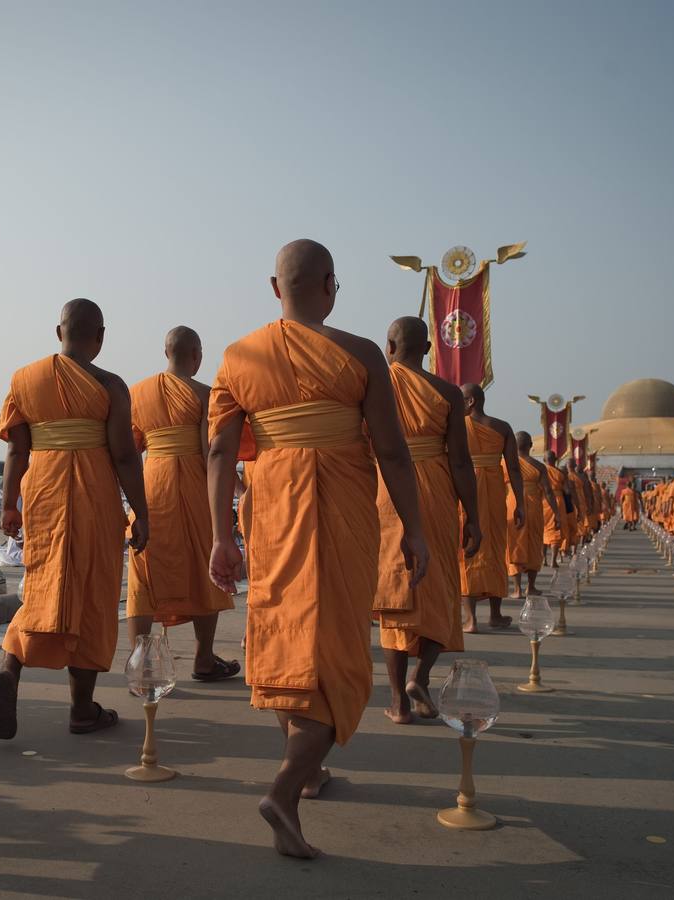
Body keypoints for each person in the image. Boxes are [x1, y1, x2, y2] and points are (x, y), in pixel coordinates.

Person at [207, 240, 430, 859]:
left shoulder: (238, 357)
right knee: (336, 651)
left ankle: (306, 771)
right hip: (344, 506)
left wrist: (221, 537)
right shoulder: (360, 353)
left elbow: (220, 451)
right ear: (331, 285)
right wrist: (414, 529)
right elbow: (392, 452)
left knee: (286, 636)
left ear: (274, 288)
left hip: (273, 506)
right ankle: (285, 787)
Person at [0, 299, 149, 739]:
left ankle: (10, 667)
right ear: (100, 337)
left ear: (59, 333)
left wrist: (9, 505)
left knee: (43, 582)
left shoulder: (24, 380)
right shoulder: (110, 385)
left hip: (43, 493)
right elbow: (124, 455)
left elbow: (16, 450)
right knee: (92, 592)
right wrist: (141, 511)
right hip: (94, 495)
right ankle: (81, 710)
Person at [374, 317, 479, 725]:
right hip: (436, 492)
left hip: (388, 491)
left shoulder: (376, 385)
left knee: (395, 594)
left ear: (389, 346)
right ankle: (420, 676)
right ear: (429, 349)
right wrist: (473, 517)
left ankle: (398, 703)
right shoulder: (448, 393)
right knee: (440, 587)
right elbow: (460, 461)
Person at [126, 326, 238, 681]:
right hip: (195, 488)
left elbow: (130, 452)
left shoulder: (137, 393)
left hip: (152, 487)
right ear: (197, 355)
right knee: (205, 572)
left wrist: (133, 503)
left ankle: (141, 666)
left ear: (166, 353)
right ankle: (203, 660)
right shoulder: (206, 394)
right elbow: (211, 453)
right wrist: (235, 492)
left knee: (143, 577)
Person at [459, 384, 523, 632]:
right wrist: (519, 503)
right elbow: (513, 468)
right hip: (495, 492)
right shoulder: (502, 427)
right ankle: (495, 614)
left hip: (465, 490)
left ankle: (470, 619)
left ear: (471, 401)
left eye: (462, 399)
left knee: (467, 549)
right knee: (495, 548)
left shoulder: (457, 426)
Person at [507, 432, 557, 598]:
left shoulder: (506, 463)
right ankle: (531, 586)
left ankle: (517, 589)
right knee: (534, 543)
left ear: (514, 445)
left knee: (514, 544)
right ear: (530, 445)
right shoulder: (539, 466)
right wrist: (557, 513)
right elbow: (548, 492)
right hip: (534, 507)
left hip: (512, 506)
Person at [542, 452, 569, 567]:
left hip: (544, 501)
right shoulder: (560, 474)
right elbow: (567, 490)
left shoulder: (540, 471)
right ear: (556, 459)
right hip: (557, 501)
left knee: (544, 530)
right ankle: (553, 560)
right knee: (556, 531)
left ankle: (544, 559)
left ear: (544, 459)